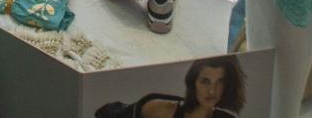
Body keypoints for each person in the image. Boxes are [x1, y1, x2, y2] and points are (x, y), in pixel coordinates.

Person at [97, 56, 246, 118]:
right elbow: (108, 114)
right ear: (193, 82)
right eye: (205, 81)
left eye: (220, 82)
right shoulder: (162, 110)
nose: (212, 91)